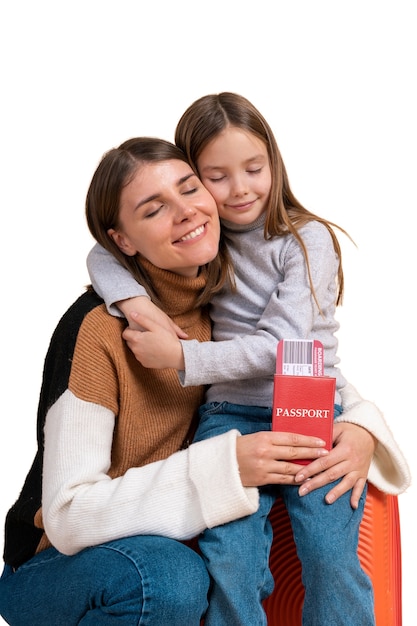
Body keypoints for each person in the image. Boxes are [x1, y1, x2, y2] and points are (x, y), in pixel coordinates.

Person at [86, 94, 411, 626]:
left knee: (330, 558)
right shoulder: (206, 240)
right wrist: (135, 300)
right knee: (231, 559)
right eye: (216, 176)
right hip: (229, 417)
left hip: (306, 406)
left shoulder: (305, 240)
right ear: (193, 178)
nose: (239, 189)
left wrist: (182, 357)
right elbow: (104, 251)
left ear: (273, 165)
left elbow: (285, 348)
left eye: (253, 169)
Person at [0, 137, 338, 626]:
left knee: (202, 567)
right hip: (58, 564)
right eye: (155, 209)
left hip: (160, 541)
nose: (185, 212)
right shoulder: (96, 329)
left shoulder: (220, 305)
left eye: (190, 188)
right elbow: (68, 516)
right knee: (168, 578)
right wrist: (225, 467)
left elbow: (300, 356)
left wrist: (361, 429)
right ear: (124, 240)